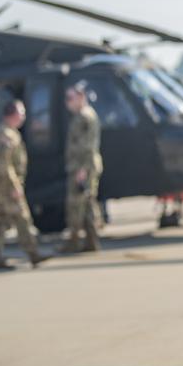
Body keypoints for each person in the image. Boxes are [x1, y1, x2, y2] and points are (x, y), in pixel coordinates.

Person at [0, 100, 48, 271]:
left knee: (2, 221)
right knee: (22, 218)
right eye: (21, 113)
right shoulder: (4, 134)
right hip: (6, 187)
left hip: (5, 186)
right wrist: (14, 186)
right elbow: (4, 164)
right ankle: (33, 254)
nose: (24, 117)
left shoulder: (10, 132)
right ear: (12, 114)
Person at [59, 83, 103, 253]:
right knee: (87, 203)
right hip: (82, 166)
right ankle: (91, 241)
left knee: (76, 204)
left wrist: (82, 170)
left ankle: (74, 241)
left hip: (83, 167)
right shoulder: (82, 116)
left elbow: (87, 146)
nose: (67, 102)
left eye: (70, 98)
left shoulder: (84, 117)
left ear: (81, 97)